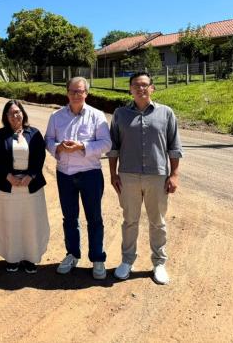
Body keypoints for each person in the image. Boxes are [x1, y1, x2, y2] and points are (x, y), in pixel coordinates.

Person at [109, 71, 183, 285]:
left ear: (152, 88)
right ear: (130, 89)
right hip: (128, 176)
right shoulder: (120, 114)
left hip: (157, 176)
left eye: (144, 85)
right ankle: (127, 261)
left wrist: (174, 174)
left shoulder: (166, 113)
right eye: (136, 85)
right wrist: (113, 174)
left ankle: (159, 263)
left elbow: (174, 146)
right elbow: (113, 147)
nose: (140, 88)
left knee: (157, 222)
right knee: (130, 221)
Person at [45, 77, 112, 280]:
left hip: (90, 173)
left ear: (86, 93)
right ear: (67, 93)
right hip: (65, 174)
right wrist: (58, 147)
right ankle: (72, 254)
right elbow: (48, 140)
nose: (76, 95)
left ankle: (97, 258)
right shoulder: (56, 116)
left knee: (94, 218)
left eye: (80, 91)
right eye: (73, 91)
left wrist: (82, 146)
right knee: (70, 218)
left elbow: (106, 144)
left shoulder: (97, 116)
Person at [0, 100, 49, 274]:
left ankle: (31, 257)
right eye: (11, 113)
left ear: (23, 113)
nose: (15, 116)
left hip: (31, 186)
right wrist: (8, 176)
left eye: (18, 111)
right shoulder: (0, 135)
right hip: (8, 186)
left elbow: (40, 157)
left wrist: (31, 176)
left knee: (31, 222)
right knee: (11, 222)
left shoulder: (34, 133)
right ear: (6, 117)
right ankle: (12, 258)